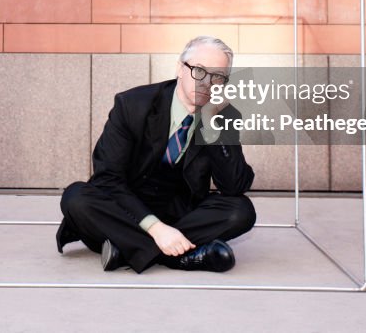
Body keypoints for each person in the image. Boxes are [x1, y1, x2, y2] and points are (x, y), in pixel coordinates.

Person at [57, 36, 256, 273]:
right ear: (180, 69)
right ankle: (177, 256)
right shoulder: (132, 104)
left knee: (240, 211)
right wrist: (156, 229)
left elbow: (234, 186)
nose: (207, 83)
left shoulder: (224, 116)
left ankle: (128, 249)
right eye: (199, 71)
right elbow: (108, 177)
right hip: (125, 207)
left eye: (217, 76)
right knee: (76, 197)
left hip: (179, 211)